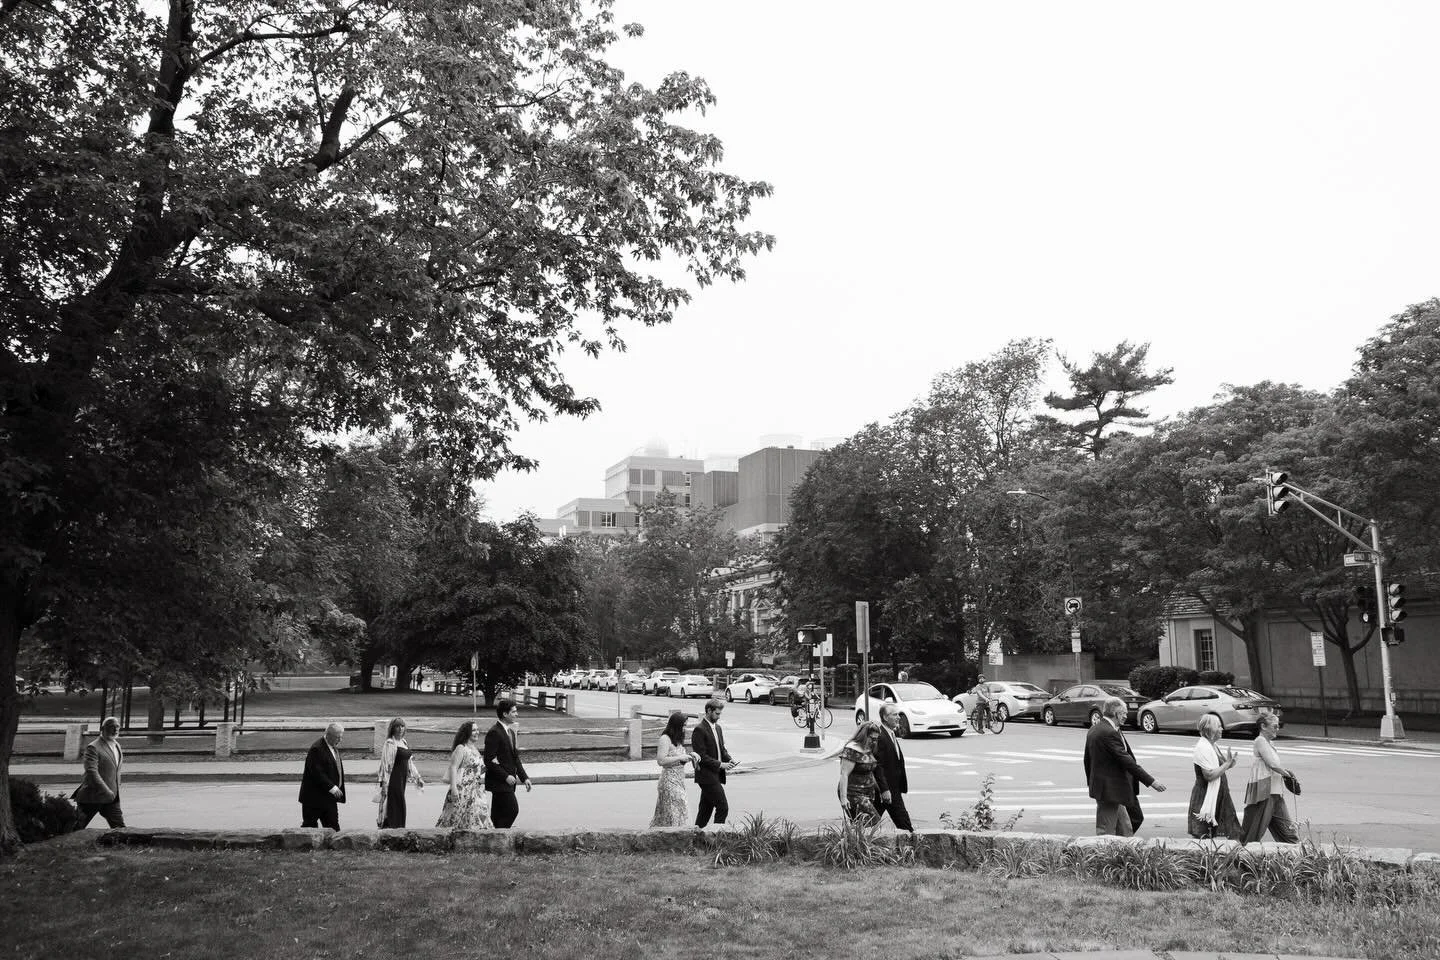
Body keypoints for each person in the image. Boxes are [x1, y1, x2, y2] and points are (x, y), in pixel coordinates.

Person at [1083, 698, 1166, 836]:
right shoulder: (1108, 732)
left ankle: (1124, 855)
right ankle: (1106, 856)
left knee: (1126, 828)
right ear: (1116, 713)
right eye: (1124, 713)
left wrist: (1093, 783)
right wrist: (1152, 782)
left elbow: (1087, 760)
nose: (1126, 716)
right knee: (1106, 831)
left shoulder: (1098, 729)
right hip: (1109, 791)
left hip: (1112, 790)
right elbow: (1127, 761)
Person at [1240, 712, 1300, 843]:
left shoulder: (1270, 743)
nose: (1277, 729)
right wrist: (1288, 774)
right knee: (1252, 833)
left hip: (1275, 793)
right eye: (1275, 726)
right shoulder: (1260, 741)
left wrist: (1285, 774)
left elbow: (1275, 765)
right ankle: (1242, 859)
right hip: (1263, 793)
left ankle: (1295, 859)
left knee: (1288, 834)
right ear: (1263, 726)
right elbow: (1272, 764)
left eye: (1278, 726)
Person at [1187, 714, 1241, 839]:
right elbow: (1209, 775)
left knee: (1232, 830)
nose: (1222, 729)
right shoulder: (1202, 747)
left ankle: (1230, 857)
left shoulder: (1213, 746)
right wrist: (1227, 764)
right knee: (1203, 835)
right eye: (1219, 726)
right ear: (1210, 729)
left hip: (1220, 793)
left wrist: (1230, 763)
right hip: (1205, 795)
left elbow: (1221, 766)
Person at [484, 699, 530, 829]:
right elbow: (488, 760)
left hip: (509, 782)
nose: (517, 714)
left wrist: (524, 777)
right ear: (505, 714)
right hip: (499, 782)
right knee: (512, 810)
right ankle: (500, 836)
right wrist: (505, 776)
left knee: (497, 815)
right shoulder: (494, 732)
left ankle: (495, 838)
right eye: (514, 711)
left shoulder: (510, 732)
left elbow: (515, 758)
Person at [436, 720, 491, 830]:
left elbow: (477, 770)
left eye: (477, 730)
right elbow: (453, 767)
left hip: (476, 791)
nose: (477, 732)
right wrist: (453, 788)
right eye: (474, 730)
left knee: (479, 817)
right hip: (463, 789)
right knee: (455, 818)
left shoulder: (475, 749)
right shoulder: (461, 748)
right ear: (467, 733)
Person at [73, 716, 125, 828]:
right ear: (103, 728)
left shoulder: (116, 745)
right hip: (92, 797)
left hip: (111, 798)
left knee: (120, 828)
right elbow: (92, 772)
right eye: (112, 726)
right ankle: (60, 844)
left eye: (117, 726)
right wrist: (106, 790)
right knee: (76, 827)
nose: (115, 729)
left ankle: (123, 845)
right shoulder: (93, 747)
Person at [691, 698, 736, 828]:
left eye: (720, 714)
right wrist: (720, 764)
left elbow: (721, 749)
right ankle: (715, 837)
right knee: (723, 807)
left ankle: (696, 837)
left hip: (716, 775)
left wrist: (729, 759)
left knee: (705, 811)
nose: (719, 717)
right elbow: (701, 756)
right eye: (717, 714)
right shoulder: (699, 729)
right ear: (709, 711)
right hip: (706, 776)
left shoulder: (718, 728)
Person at [650, 711, 698, 827]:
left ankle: (676, 835)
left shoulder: (678, 739)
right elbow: (661, 760)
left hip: (679, 780)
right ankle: (674, 834)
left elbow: (679, 759)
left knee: (680, 811)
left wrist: (691, 755)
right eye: (683, 725)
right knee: (674, 811)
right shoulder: (665, 738)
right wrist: (680, 757)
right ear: (676, 725)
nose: (684, 728)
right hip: (669, 781)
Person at [376, 717, 425, 828]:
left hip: (402, 779)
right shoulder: (389, 743)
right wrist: (384, 783)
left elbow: (409, 763)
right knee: (395, 804)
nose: (400, 728)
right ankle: (392, 829)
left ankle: (398, 829)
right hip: (392, 779)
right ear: (392, 728)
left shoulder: (403, 742)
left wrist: (418, 778)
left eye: (402, 726)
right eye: (397, 726)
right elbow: (385, 764)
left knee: (398, 804)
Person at [873, 703, 915, 832]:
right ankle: (912, 847)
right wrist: (884, 790)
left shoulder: (890, 734)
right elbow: (878, 765)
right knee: (905, 825)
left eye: (898, 714)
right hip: (887, 790)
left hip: (892, 788)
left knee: (870, 822)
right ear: (885, 718)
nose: (898, 717)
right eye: (894, 714)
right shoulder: (881, 736)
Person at [299, 722, 347, 830]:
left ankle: (332, 847)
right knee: (309, 827)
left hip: (328, 799)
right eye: (337, 737)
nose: (340, 740)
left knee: (333, 828)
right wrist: (333, 787)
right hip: (313, 799)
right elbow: (317, 773)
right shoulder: (317, 749)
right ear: (328, 735)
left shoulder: (332, 747)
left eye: (341, 737)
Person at [837, 721, 883, 825]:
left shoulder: (868, 748)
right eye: (872, 738)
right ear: (864, 736)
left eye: (876, 739)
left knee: (861, 823)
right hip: (853, 793)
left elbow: (869, 771)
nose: (874, 742)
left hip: (867, 792)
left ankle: (854, 840)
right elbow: (844, 774)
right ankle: (852, 839)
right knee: (874, 819)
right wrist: (844, 798)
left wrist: (879, 790)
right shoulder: (852, 749)